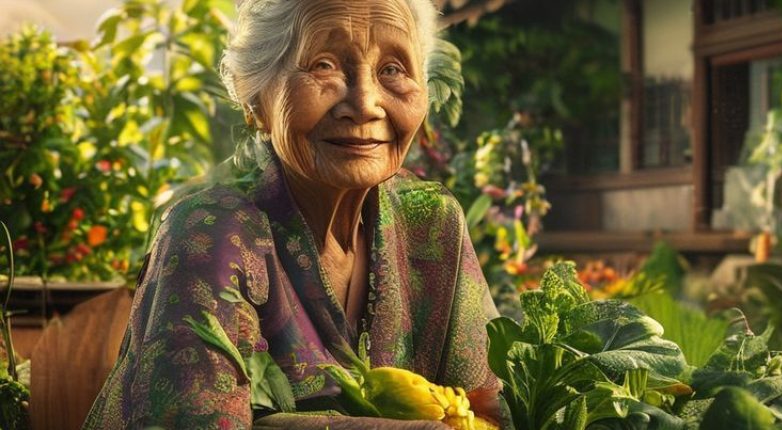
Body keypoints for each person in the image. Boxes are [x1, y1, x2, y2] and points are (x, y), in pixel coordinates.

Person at [84, 0, 502, 428]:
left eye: (392, 69)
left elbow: (493, 407)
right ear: (255, 100)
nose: (365, 103)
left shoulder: (430, 221)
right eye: (323, 66)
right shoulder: (209, 233)